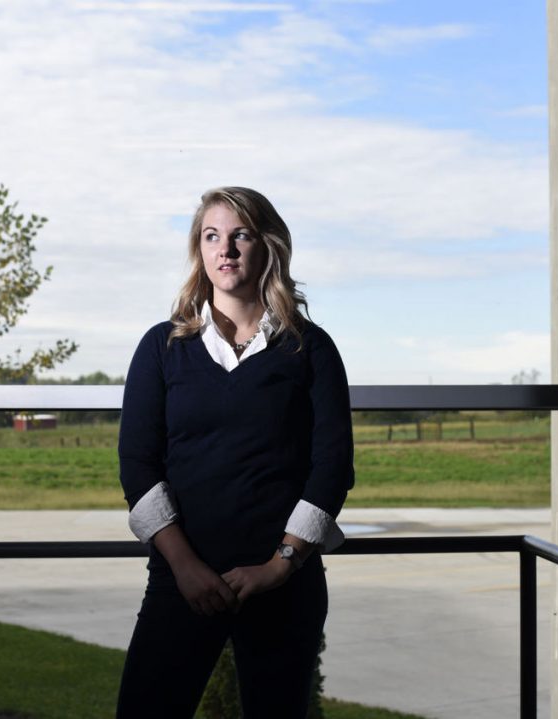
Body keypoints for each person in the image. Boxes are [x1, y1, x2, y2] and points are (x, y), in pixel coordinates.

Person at [116, 187, 354, 718]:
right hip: (181, 582)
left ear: (267, 245)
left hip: (282, 589)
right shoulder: (162, 346)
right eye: (212, 236)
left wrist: (280, 565)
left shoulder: (310, 348)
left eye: (240, 234)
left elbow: (332, 467)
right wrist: (184, 566)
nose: (226, 248)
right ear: (200, 251)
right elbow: (138, 464)